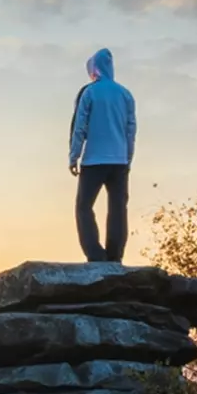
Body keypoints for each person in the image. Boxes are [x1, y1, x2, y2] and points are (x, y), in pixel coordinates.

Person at [68, 48, 136, 264]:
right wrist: (128, 158)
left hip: (94, 160)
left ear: (93, 70)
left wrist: (74, 155)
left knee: (84, 207)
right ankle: (115, 256)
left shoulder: (89, 93)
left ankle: (96, 255)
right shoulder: (125, 94)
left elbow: (80, 126)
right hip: (119, 161)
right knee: (118, 209)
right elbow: (131, 129)